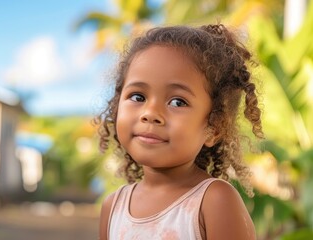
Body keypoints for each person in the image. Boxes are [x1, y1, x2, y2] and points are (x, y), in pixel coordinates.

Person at [95, 23, 263, 240]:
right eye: (138, 97)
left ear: (214, 127)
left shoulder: (213, 201)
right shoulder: (113, 208)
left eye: (177, 101)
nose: (150, 113)